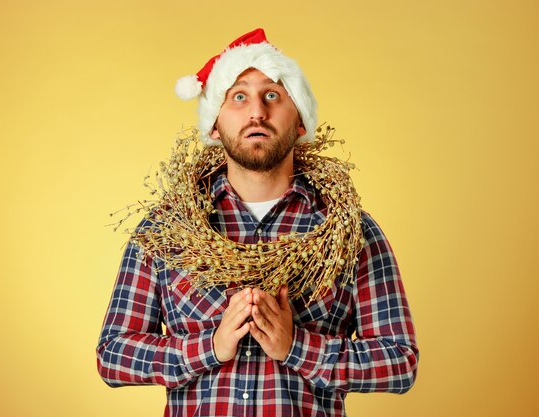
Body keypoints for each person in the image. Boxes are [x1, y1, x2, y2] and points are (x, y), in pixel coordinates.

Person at [96, 28, 419, 416]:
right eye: (238, 97)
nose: (256, 112)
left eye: (272, 95)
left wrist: (296, 347)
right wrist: (208, 348)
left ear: (299, 121)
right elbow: (113, 354)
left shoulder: (350, 230)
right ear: (214, 125)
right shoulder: (167, 229)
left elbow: (399, 362)